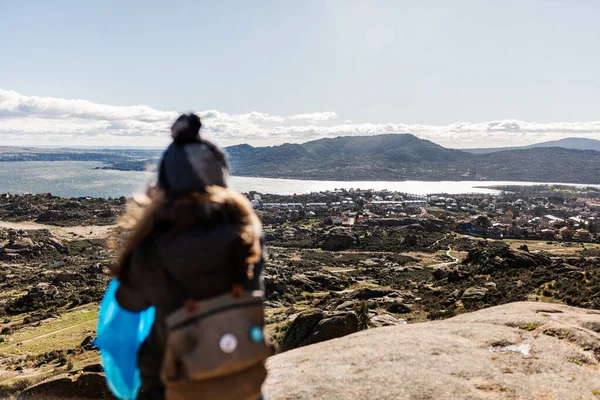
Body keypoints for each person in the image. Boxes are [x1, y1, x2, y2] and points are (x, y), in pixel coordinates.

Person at [111, 113, 266, 400]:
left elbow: (127, 302)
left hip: (174, 382)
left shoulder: (153, 245)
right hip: (240, 374)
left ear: (167, 185)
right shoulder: (246, 233)